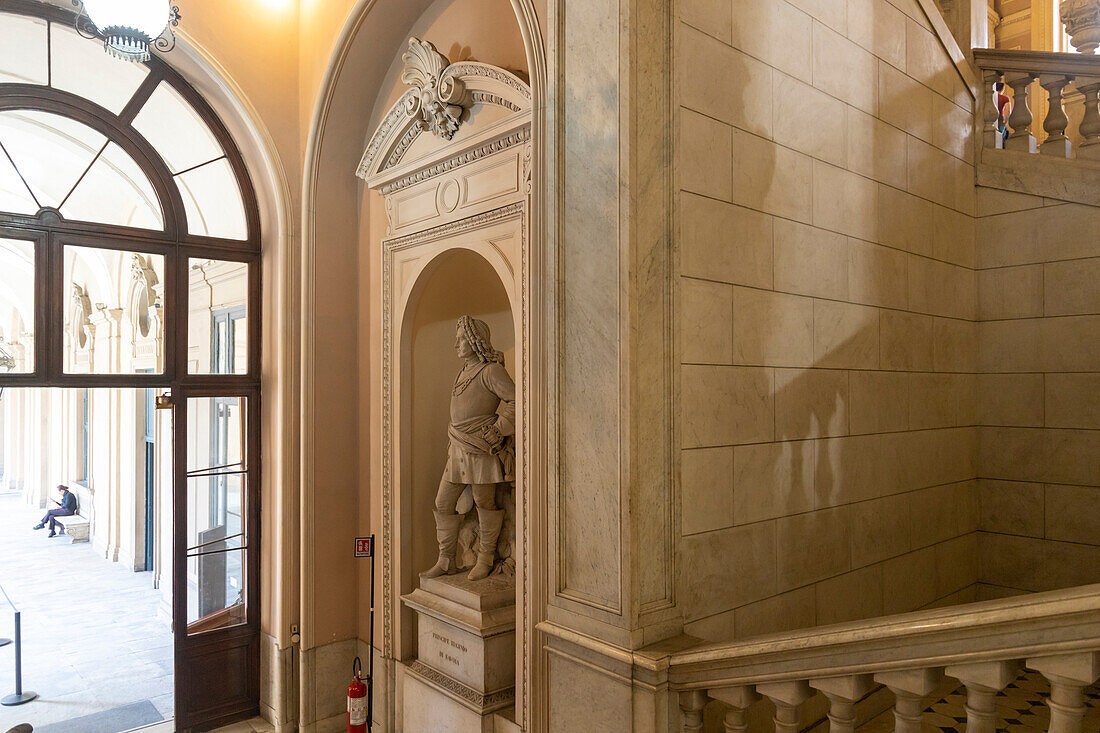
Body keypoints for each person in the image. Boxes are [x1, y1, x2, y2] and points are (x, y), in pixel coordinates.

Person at [422, 316, 516, 581]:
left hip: (481, 447)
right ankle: (446, 559)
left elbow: (515, 400)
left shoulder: (491, 371)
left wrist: (499, 428)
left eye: (462, 338)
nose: (456, 344)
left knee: (484, 501)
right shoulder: (463, 371)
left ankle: (485, 558)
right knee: (443, 502)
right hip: (458, 446)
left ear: (476, 340)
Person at [994, 81, 1011, 148]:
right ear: (1003, 88)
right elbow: (1008, 111)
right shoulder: (1005, 98)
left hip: (991, 117)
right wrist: (1005, 121)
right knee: (1001, 137)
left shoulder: (992, 96)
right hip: (1000, 118)